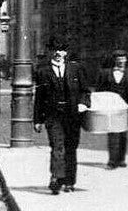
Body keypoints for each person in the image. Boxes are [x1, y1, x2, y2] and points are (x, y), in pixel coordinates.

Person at [33, 40, 91, 194]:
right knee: (57, 146)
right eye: (56, 50)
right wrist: (37, 120)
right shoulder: (42, 71)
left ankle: (69, 182)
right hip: (53, 115)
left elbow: (85, 91)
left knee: (71, 148)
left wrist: (83, 104)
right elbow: (39, 97)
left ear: (66, 52)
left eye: (62, 50)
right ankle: (56, 179)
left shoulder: (76, 69)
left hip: (72, 115)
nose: (59, 54)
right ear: (51, 52)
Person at [95, 49, 128, 169]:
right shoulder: (105, 73)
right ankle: (112, 161)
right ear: (115, 60)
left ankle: (121, 159)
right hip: (111, 107)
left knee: (123, 133)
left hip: (126, 107)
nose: (121, 61)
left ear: (126, 60)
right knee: (112, 133)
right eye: (119, 59)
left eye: (123, 58)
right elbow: (99, 90)